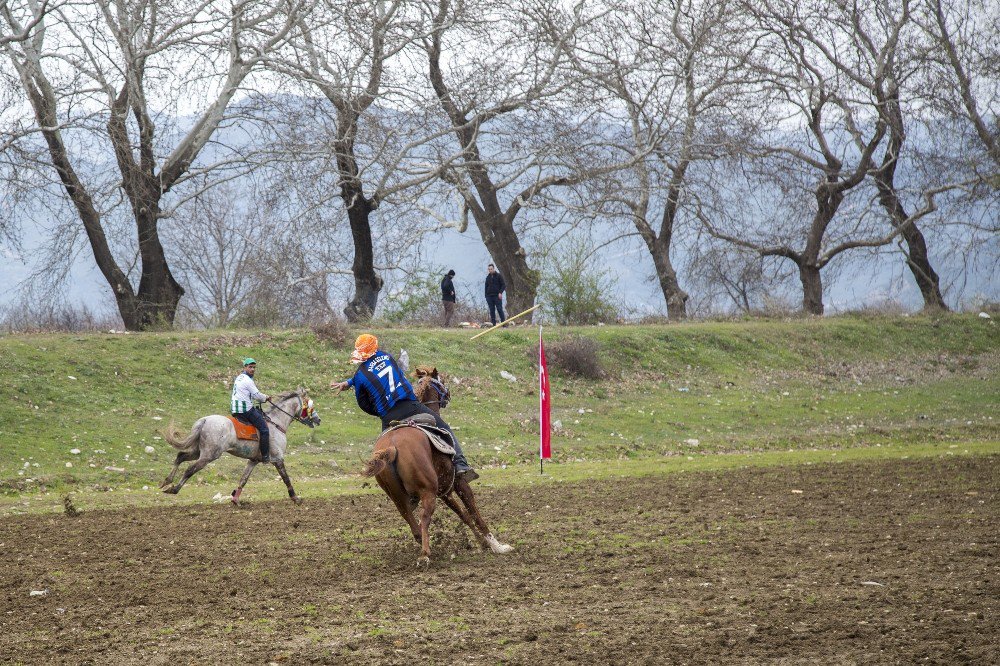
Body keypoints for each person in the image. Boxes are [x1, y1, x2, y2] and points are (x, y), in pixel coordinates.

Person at [330, 334, 479, 481]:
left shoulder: (359, 375)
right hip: (411, 406)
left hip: (388, 416)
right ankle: (461, 464)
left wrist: (377, 410)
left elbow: (363, 404)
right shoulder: (387, 356)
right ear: (375, 347)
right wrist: (350, 382)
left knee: (383, 453)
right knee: (444, 427)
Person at [231, 358, 271, 462]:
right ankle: (265, 456)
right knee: (264, 429)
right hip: (245, 410)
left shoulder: (239, 378)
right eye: (250, 367)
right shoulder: (248, 380)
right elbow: (257, 395)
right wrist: (266, 397)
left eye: (254, 367)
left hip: (235, 409)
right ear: (244, 367)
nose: (252, 369)